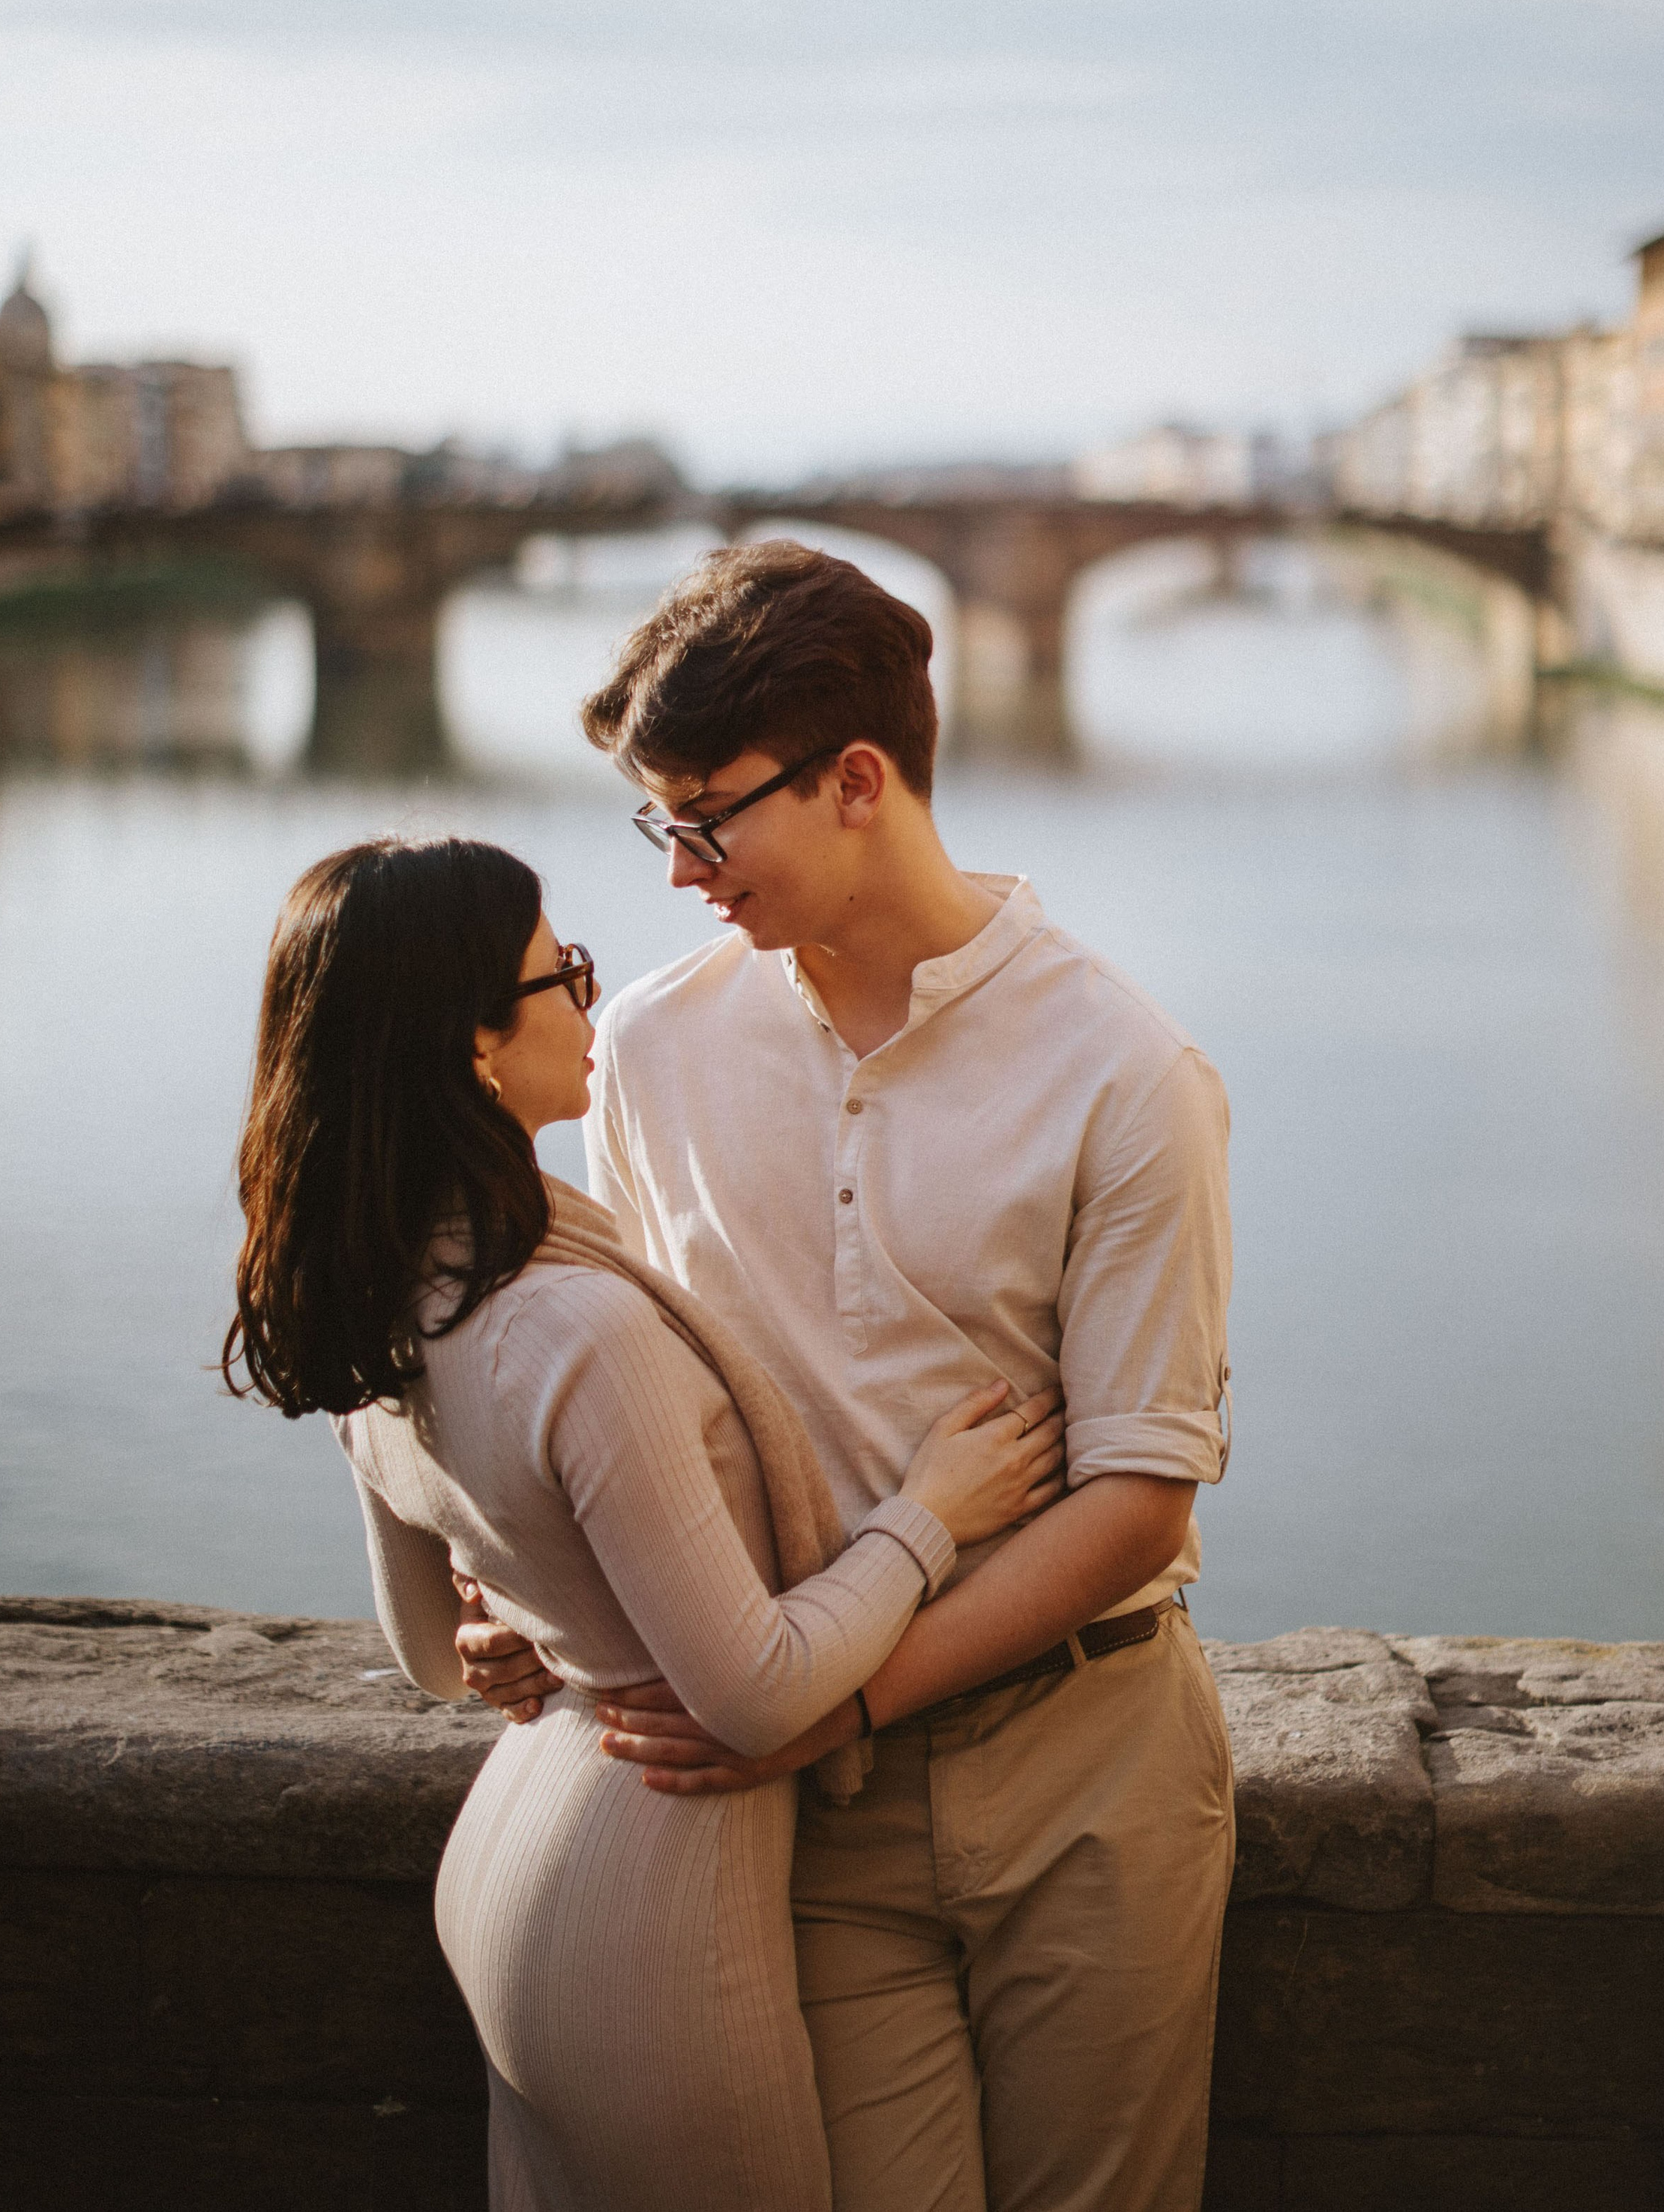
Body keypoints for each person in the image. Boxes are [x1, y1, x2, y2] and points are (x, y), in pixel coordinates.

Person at [457, 541, 1237, 2212]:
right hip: (807, 1801)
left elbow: (1136, 1498)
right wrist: (533, 1590)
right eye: (655, 823)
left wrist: (835, 1698)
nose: (676, 872)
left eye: (703, 818)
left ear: (857, 779)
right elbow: (645, 1410)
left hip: (1081, 1762)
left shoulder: (1125, 1073)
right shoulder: (657, 1052)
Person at [220, 835, 1064, 2212]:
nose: (593, 1005)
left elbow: (437, 1655)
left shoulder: (380, 1289)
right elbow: (751, 1693)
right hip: (649, 1910)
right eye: (566, 975)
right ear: (474, 1045)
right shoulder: (573, 1322)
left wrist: (539, 1618)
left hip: (517, 1863)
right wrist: (928, 1515)